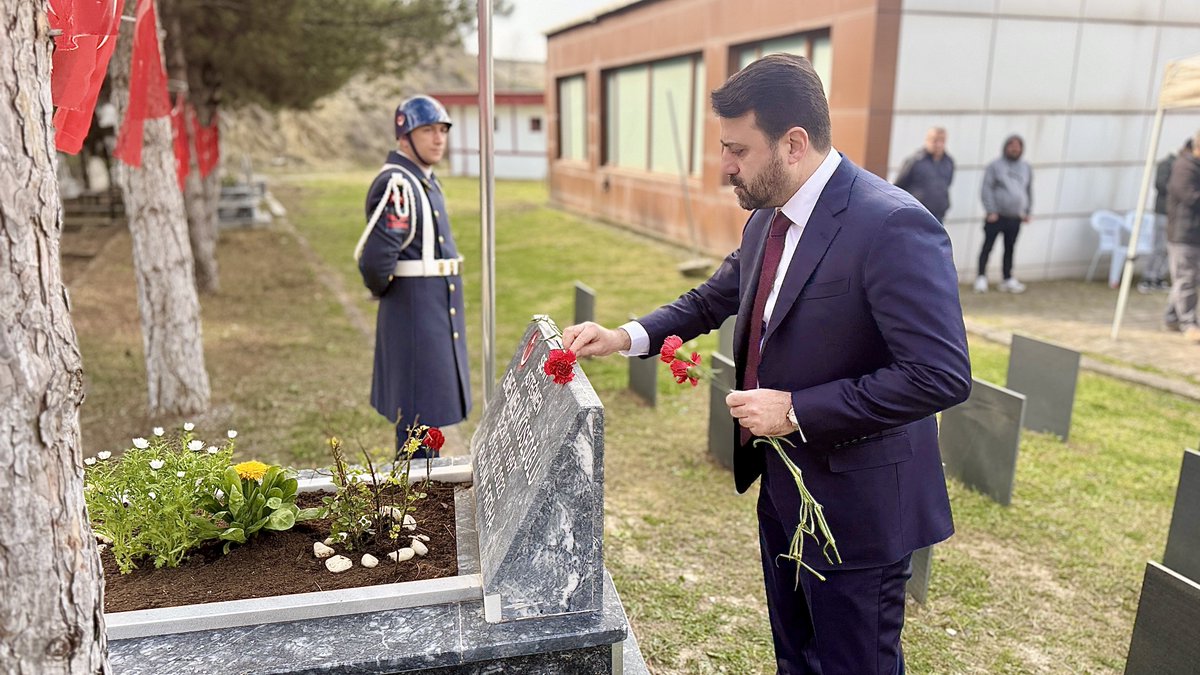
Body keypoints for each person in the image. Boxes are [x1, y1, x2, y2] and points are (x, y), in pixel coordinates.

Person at [562, 54, 971, 674]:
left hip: (861, 512)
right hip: (784, 490)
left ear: (794, 144)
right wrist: (623, 337)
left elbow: (939, 374)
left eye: (737, 149)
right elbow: (713, 298)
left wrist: (798, 410)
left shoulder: (891, 225)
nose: (724, 165)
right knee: (795, 660)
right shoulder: (766, 221)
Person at [355, 95, 470, 458]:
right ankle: (415, 501)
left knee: (428, 415)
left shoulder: (423, 180)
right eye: (427, 130)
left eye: (442, 130)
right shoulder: (399, 184)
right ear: (404, 136)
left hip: (433, 309)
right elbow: (376, 262)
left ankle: (421, 494)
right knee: (418, 419)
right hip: (416, 312)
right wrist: (399, 297)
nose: (438, 139)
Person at [974, 135, 1032, 294]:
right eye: (1011, 145)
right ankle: (981, 277)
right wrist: (990, 210)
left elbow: (1028, 191)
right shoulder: (995, 166)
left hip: (1015, 217)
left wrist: (1027, 211)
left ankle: (1007, 278)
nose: (1014, 149)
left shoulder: (1026, 167)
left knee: (1010, 248)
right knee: (988, 247)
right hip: (996, 216)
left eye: (1018, 146)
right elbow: (986, 189)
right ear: (1006, 147)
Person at [1164, 131, 1200, 342]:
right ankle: (1188, 323)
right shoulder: (1184, 167)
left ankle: (1172, 316)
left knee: (1186, 278)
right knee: (1185, 279)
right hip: (1183, 234)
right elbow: (1190, 197)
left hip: (1194, 234)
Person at [894, 126, 954, 223]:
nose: (938, 144)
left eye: (942, 141)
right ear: (927, 140)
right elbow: (899, 186)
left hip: (938, 216)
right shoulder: (915, 161)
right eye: (935, 140)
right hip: (916, 215)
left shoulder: (948, 162)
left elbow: (948, 183)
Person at [1139, 152, 1175, 293]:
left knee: (1168, 248)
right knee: (1159, 246)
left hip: (1173, 214)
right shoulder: (1166, 165)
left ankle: (1158, 276)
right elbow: (1160, 184)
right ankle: (1148, 277)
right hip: (1163, 212)